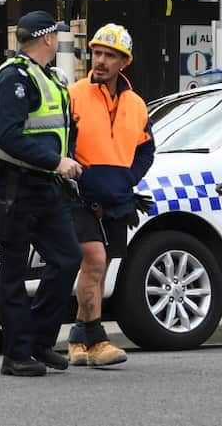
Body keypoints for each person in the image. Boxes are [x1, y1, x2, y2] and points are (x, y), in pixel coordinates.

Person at [0, 11, 83, 377]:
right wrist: (58, 162)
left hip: (44, 185)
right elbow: (9, 136)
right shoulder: (14, 79)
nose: (58, 40)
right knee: (13, 270)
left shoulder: (48, 78)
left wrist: (63, 163)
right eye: (56, 35)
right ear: (46, 39)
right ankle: (17, 353)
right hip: (15, 185)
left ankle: (39, 342)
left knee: (67, 258)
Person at [66, 23, 155, 367]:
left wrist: (127, 178)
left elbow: (147, 150)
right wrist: (76, 174)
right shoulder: (73, 95)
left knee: (98, 271)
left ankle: (79, 340)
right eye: (97, 53)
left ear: (124, 62)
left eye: (109, 56)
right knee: (95, 261)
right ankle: (97, 338)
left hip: (118, 199)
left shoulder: (136, 105)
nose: (100, 61)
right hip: (78, 196)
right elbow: (61, 143)